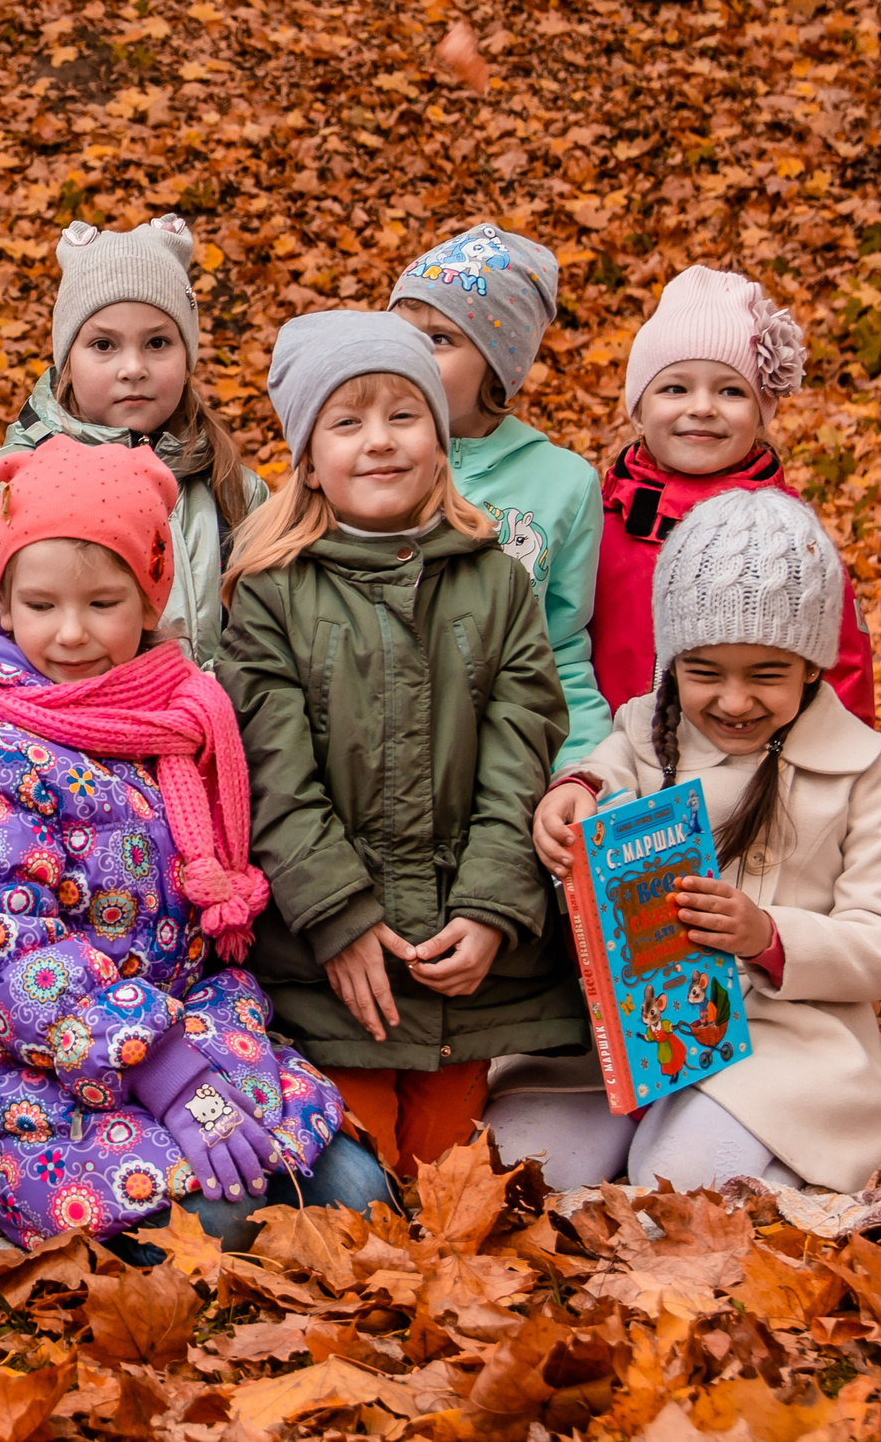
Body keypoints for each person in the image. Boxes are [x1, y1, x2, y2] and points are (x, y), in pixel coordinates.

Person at [0, 435, 383, 1253]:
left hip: (184, 1028)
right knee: (229, 1222)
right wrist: (162, 1074)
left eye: (102, 603)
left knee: (354, 1192)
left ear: (149, 600)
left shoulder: (169, 718)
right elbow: (6, 955)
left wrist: (191, 1066)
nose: (69, 634)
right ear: (5, 604)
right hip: (35, 1059)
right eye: (42, 604)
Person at [218, 312, 583, 1178]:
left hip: (467, 966)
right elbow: (273, 777)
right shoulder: (272, 593)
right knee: (359, 1180)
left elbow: (520, 752)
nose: (379, 442)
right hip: (327, 964)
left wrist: (494, 910)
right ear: (307, 455)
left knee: (447, 1173)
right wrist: (341, 919)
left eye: (403, 415)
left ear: (441, 435)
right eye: (347, 422)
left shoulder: (497, 580)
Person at [495, 490, 881, 1194]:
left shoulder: (856, 764)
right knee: (522, 1163)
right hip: (632, 1033)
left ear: (812, 667)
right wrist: (573, 791)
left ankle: (777, 1175)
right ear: (672, 663)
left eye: (767, 674)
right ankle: (670, 1140)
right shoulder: (645, 728)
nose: (733, 701)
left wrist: (767, 935)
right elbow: (603, 770)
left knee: (678, 1182)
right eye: (704, 672)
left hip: (786, 1045)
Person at [0, 215, 266, 664]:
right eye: (104, 346)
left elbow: (267, 635)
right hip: (46, 727)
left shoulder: (234, 491)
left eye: (158, 343)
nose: (133, 368)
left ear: (188, 357)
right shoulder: (0, 484)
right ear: (68, 358)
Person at [592, 267, 874, 722]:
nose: (702, 407)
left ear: (761, 416)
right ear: (639, 409)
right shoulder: (596, 526)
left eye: (730, 391)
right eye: (675, 388)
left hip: (757, 776)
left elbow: (842, 671)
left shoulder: (794, 540)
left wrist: (837, 780)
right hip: (612, 773)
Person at [387, 224, 609, 765]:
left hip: (506, 771)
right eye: (400, 334)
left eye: (440, 338)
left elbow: (563, 649)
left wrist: (585, 771)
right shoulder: (363, 465)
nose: (412, 355)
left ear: (500, 366)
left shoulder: (565, 484)